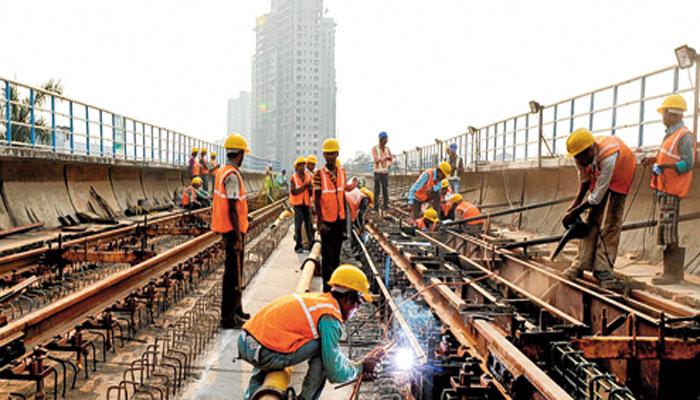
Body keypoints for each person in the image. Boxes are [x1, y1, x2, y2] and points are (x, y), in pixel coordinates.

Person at [238, 265, 381, 400]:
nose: (357, 310)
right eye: (359, 303)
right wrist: (359, 368)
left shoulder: (319, 301)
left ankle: (251, 396)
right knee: (321, 350)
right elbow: (334, 370)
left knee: (320, 349)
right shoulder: (330, 316)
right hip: (263, 352)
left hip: (247, 342)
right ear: (348, 298)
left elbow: (334, 355)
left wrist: (356, 366)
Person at [560, 128, 636, 288]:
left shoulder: (608, 157)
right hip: (600, 172)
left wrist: (575, 211)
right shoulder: (580, 157)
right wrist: (574, 205)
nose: (579, 160)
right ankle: (581, 264)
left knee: (612, 221)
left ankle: (604, 269)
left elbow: (596, 197)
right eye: (577, 157)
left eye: (582, 156)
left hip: (622, 170)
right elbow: (585, 180)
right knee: (592, 218)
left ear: (591, 149)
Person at [645, 95, 695, 284]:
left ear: (673, 115)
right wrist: (653, 161)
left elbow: (688, 163)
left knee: (669, 229)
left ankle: (673, 274)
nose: (662, 117)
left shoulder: (683, 135)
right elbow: (667, 157)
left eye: (664, 113)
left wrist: (668, 169)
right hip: (664, 187)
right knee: (665, 228)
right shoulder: (671, 134)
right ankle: (670, 271)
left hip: (672, 188)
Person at [211, 133, 252, 329]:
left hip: (228, 228)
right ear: (240, 154)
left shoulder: (222, 171)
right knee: (232, 274)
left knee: (236, 272)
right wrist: (237, 236)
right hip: (232, 230)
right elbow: (233, 208)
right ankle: (228, 318)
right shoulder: (232, 175)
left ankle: (237, 309)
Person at [314, 138, 347, 292]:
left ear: (337, 154)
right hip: (327, 222)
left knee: (336, 258)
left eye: (332, 154)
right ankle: (327, 291)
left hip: (339, 221)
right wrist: (320, 222)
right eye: (327, 154)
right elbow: (317, 199)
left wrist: (345, 223)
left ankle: (335, 288)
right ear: (324, 156)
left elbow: (343, 197)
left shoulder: (342, 172)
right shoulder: (319, 174)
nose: (330, 157)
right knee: (327, 259)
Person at [290, 156, 314, 253]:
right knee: (298, 224)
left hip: (306, 203)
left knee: (308, 224)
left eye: (303, 165)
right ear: (297, 167)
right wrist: (304, 187)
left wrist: (310, 188)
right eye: (300, 165)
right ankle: (298, 246)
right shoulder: (293, 178)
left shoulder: (308, 176)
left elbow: (311, 191)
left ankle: (311, 243)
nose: (303, 167)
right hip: (297, 204)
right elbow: (293, 191)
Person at [371, 131, 393, 211]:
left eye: (387, 139)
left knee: (385, 190)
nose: (386, 141)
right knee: (377, 190)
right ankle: (375, 207)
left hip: (385, 172)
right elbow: (376, 160)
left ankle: (386, 206)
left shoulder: (387, 149)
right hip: (377, 172)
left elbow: (391, 158)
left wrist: (389, 161)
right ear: (381, 139)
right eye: (385, 139)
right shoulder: (375, 148)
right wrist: (385, 158)